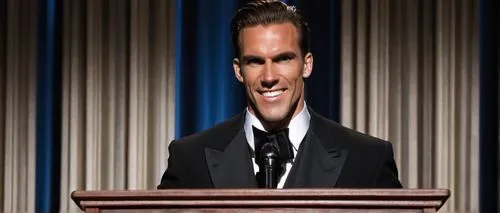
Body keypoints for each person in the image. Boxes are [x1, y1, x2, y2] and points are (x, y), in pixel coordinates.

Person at [158, 0, 402, 189]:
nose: (268, 76)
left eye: (283, 59)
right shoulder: (189, 160)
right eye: (254, 61)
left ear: (306, 65)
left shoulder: (368, 160)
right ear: (238, 70)